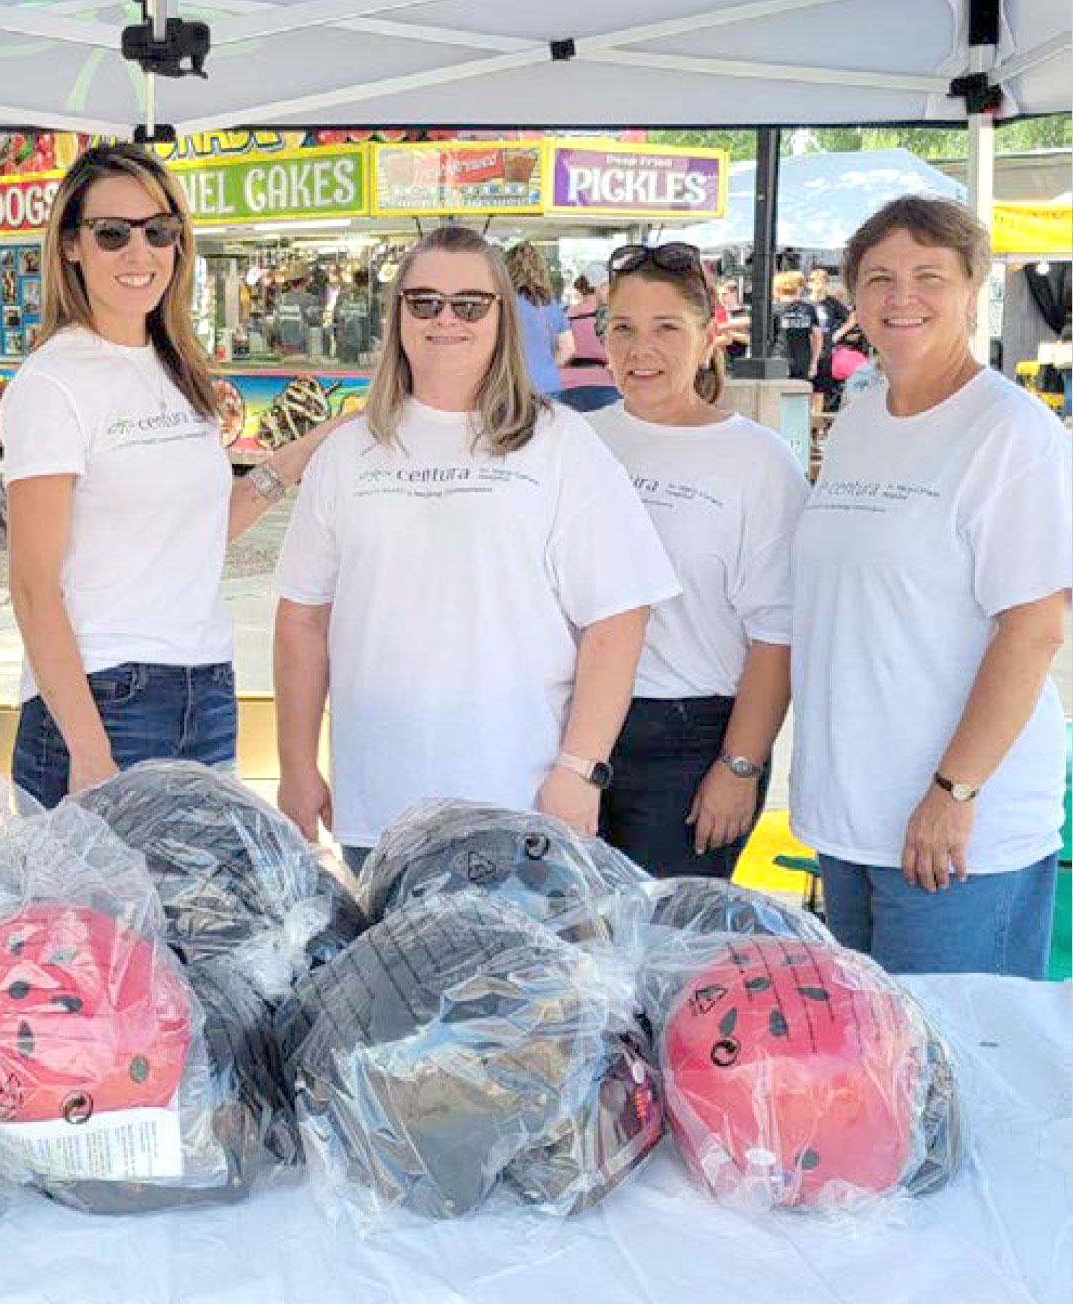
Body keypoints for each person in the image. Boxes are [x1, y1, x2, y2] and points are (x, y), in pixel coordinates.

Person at [273, 226, 679, 873]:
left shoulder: (558, 444)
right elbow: (302, 618)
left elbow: (619, 617)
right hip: (377, 812)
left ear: (502, 318)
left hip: (519, 811)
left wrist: (579, 769)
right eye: (424, 302)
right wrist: (296, 765)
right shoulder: (348, 453)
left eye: (470, 304)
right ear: (397, 312)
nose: (446, 320)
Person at [0, 143, 334, 809]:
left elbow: (202, 528)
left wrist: (310, 449)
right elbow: (33, 588)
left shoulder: (176, 368)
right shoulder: (52, 383)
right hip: (101, 699)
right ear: (70, 245)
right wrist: (90, 752)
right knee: (95, 915)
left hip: (204, 689)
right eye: (112, 234)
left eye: (159, 231)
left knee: (189, 913)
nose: (139, 252)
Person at [791, 195, 1071, 977]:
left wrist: (956, 789)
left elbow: (1034, 628)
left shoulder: (1012, 433)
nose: (899, 297)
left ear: (973, 282)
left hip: (955, 834)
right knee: (871, 1073)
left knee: (951, 1075)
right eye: (878, 277)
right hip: (853, 819)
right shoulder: (863, 412)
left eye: (927, 275)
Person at [587, 243, 809, 879]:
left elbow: (777, 632)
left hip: (689, 742)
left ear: (710, 334)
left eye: (666, 328)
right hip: (577, 729)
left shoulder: (759, 462)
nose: (640, 349)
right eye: (623, 328)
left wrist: (740, 765)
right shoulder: (578, 440)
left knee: (669, 954)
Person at [505, 242, 575, 399]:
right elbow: (568, 348)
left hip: (510, 387)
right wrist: (547, 367)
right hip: (547, 385)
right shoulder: (550, 305)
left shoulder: (501, 305)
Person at [561, 267, 621, 412]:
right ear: (599, 288)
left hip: (566, 385)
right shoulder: (610, 316)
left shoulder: (564, 314)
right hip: (603, 384)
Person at [806, 266, 854, 413]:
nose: (820, 286)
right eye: (816, 282)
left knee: (820, 389)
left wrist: (839, 333)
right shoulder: (804, 303)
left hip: (826, 349)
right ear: (809, 284)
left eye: (823, 283)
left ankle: (816, 421)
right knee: (805, 387)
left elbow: (852, 317)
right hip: (806, 348)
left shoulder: (831, 303)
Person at [769, 270, 822, 384]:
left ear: (778, 288)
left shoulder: (774, 309)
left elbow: (767, 338)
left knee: (777, 396)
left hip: (779, 359)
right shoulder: (809, 309)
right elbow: (818, 337)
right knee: (799, 397)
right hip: (803, 361)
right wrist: (814, 363)